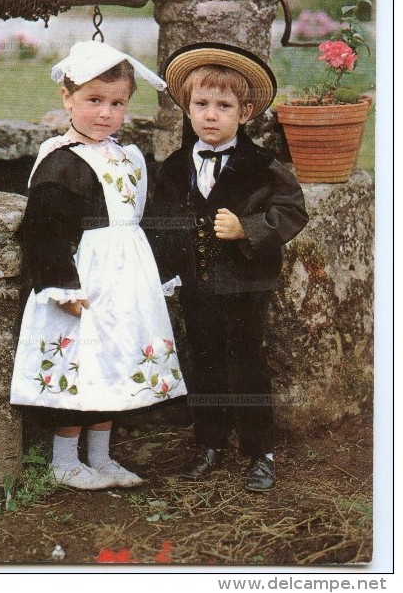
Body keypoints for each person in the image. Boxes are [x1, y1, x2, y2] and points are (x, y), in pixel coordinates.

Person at [10, 40, 187, 491]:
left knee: (115, 360)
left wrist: (159, 274)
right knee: (81, 361)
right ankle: (65, 459)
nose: (105, 113)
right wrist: (62, 288)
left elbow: (145, 218)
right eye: (93, 101)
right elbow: (44, 230)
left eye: (116, 103)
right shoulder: (63, 163)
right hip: (85, 280)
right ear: (67, 98)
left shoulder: (128, 158)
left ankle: (102, 456)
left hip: (125, 281)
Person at [150, 43, 308, 491]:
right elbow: (161, 221)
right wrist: (167, 267)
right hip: (196, 285)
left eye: (224, 106)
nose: (211, 115)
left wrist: (249, 228)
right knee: (205, 363)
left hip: (245, 285)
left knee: (246, 365)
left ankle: (260, 451)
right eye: (201, 105)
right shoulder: (174, 167)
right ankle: (209, 442)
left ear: (246, 111)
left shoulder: (261, 165)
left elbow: (292, 211)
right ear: (187, 108)